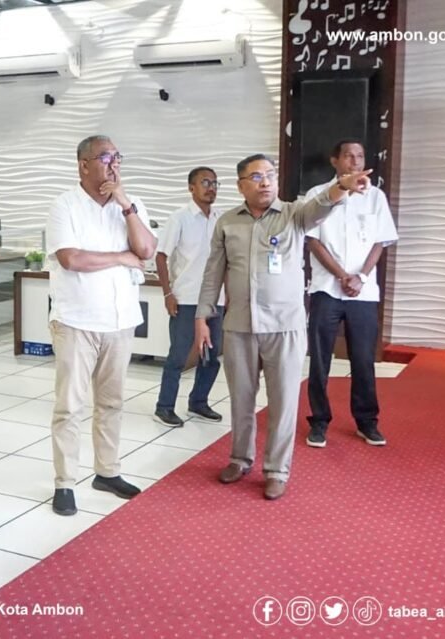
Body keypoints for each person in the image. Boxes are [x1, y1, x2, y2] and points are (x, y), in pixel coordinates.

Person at [195, 153, 373, 500]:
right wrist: (202, 317)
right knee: (241, 400)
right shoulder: (227, 222)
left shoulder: (295, 214)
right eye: (256, 177)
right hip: (239, 326)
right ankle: (240, 459)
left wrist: (342, 186)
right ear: (241, 185)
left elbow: (321, 206)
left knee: (283, 402)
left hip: (285, 326)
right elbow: (213, 273)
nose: (265, 182)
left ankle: (277, 470)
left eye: (270, 175)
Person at [46, 135, 158, 516]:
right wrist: (120, 258)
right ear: (84, 164)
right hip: (76, 322)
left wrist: (126, 205)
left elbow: (146, 250)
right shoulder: (64, 205)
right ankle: (64, 482)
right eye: (106, 157)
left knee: (112, 402)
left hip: (120, 320)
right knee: (70, 406)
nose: (115, 164)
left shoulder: (131, 204)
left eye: (117, 157)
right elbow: (71, 259)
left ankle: (107, 472)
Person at [304, 139, 399, 448]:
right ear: (335, 161)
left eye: (360, 155)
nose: (355, 161)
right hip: (326, 290)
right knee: (320, 360)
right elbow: (313, 241)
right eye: (348, 155)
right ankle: (319, 421)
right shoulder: (318, 194)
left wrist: (360, 277)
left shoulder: (375, 197)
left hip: (363, 292)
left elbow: (380, 242)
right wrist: (341, 275)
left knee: (363, 359)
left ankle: (367, 421)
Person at [154, 167, 226, 427]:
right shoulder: (180, 218)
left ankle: (198, 402)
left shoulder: (221, 219)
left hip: (216, 299)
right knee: (179, 355)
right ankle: (164, 407)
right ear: (191, 187)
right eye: (205, 182)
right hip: (186, 297)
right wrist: (167, 292)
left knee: (212, 355)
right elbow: (161, 256)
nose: (211, 188)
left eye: (215, 183)